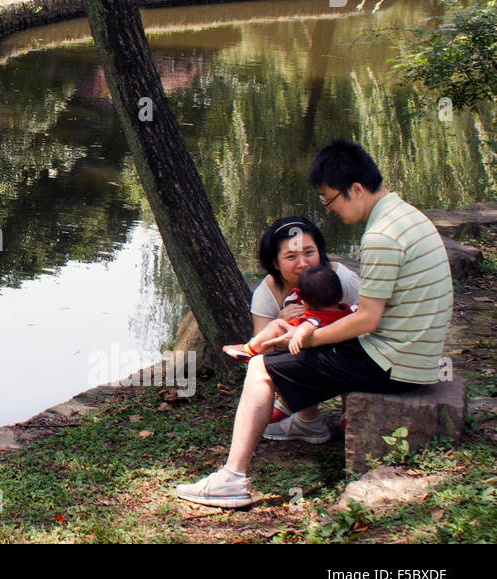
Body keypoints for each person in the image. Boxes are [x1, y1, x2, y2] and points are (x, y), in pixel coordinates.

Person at [175, 140, 452, 508]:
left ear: (355, 189)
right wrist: (310, 332)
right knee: (293, 348)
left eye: (329, 199)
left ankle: (232, 479)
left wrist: (310, 338)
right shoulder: (407, 216)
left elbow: (368, 318)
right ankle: (305, 423)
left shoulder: (381, 235)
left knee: (260, 366)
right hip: (410, 357)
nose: (329, 208)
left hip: (392, 365)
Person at [244, 215, 360, 440]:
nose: (303, 264)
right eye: (291, 257)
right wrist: (280, 323)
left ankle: (351, 411)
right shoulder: (266, 294)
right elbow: (261, 347)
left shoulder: (342, 279)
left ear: (320, 252)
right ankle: (305, 416)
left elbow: (366, 324)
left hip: (345, 358)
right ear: (276, 263)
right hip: (302, 360)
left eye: (309, 253)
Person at [224, 264, 354, 359]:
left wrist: (298, 337)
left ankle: (250, 349)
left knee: (276, 325)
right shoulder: (344, 311)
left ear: (305, 304)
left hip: (308, 349)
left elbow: (307, 326)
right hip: (334, 348)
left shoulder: (314, 318)